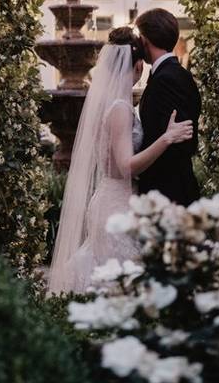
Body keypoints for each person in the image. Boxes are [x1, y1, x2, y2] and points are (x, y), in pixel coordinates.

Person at [47, 26, 193, 294]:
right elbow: (126, 165)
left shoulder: (113, 104)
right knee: (119, 282)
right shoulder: (121, 109)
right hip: (117, 205)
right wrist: (167, 137)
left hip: (109, 198)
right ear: (137, 65)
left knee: (107, 276)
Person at [135, 8, 202, 206]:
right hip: (167, 190)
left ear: (146, 40)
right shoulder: (171, 74)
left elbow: (179, 142)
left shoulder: (167, 79)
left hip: (168, 194)